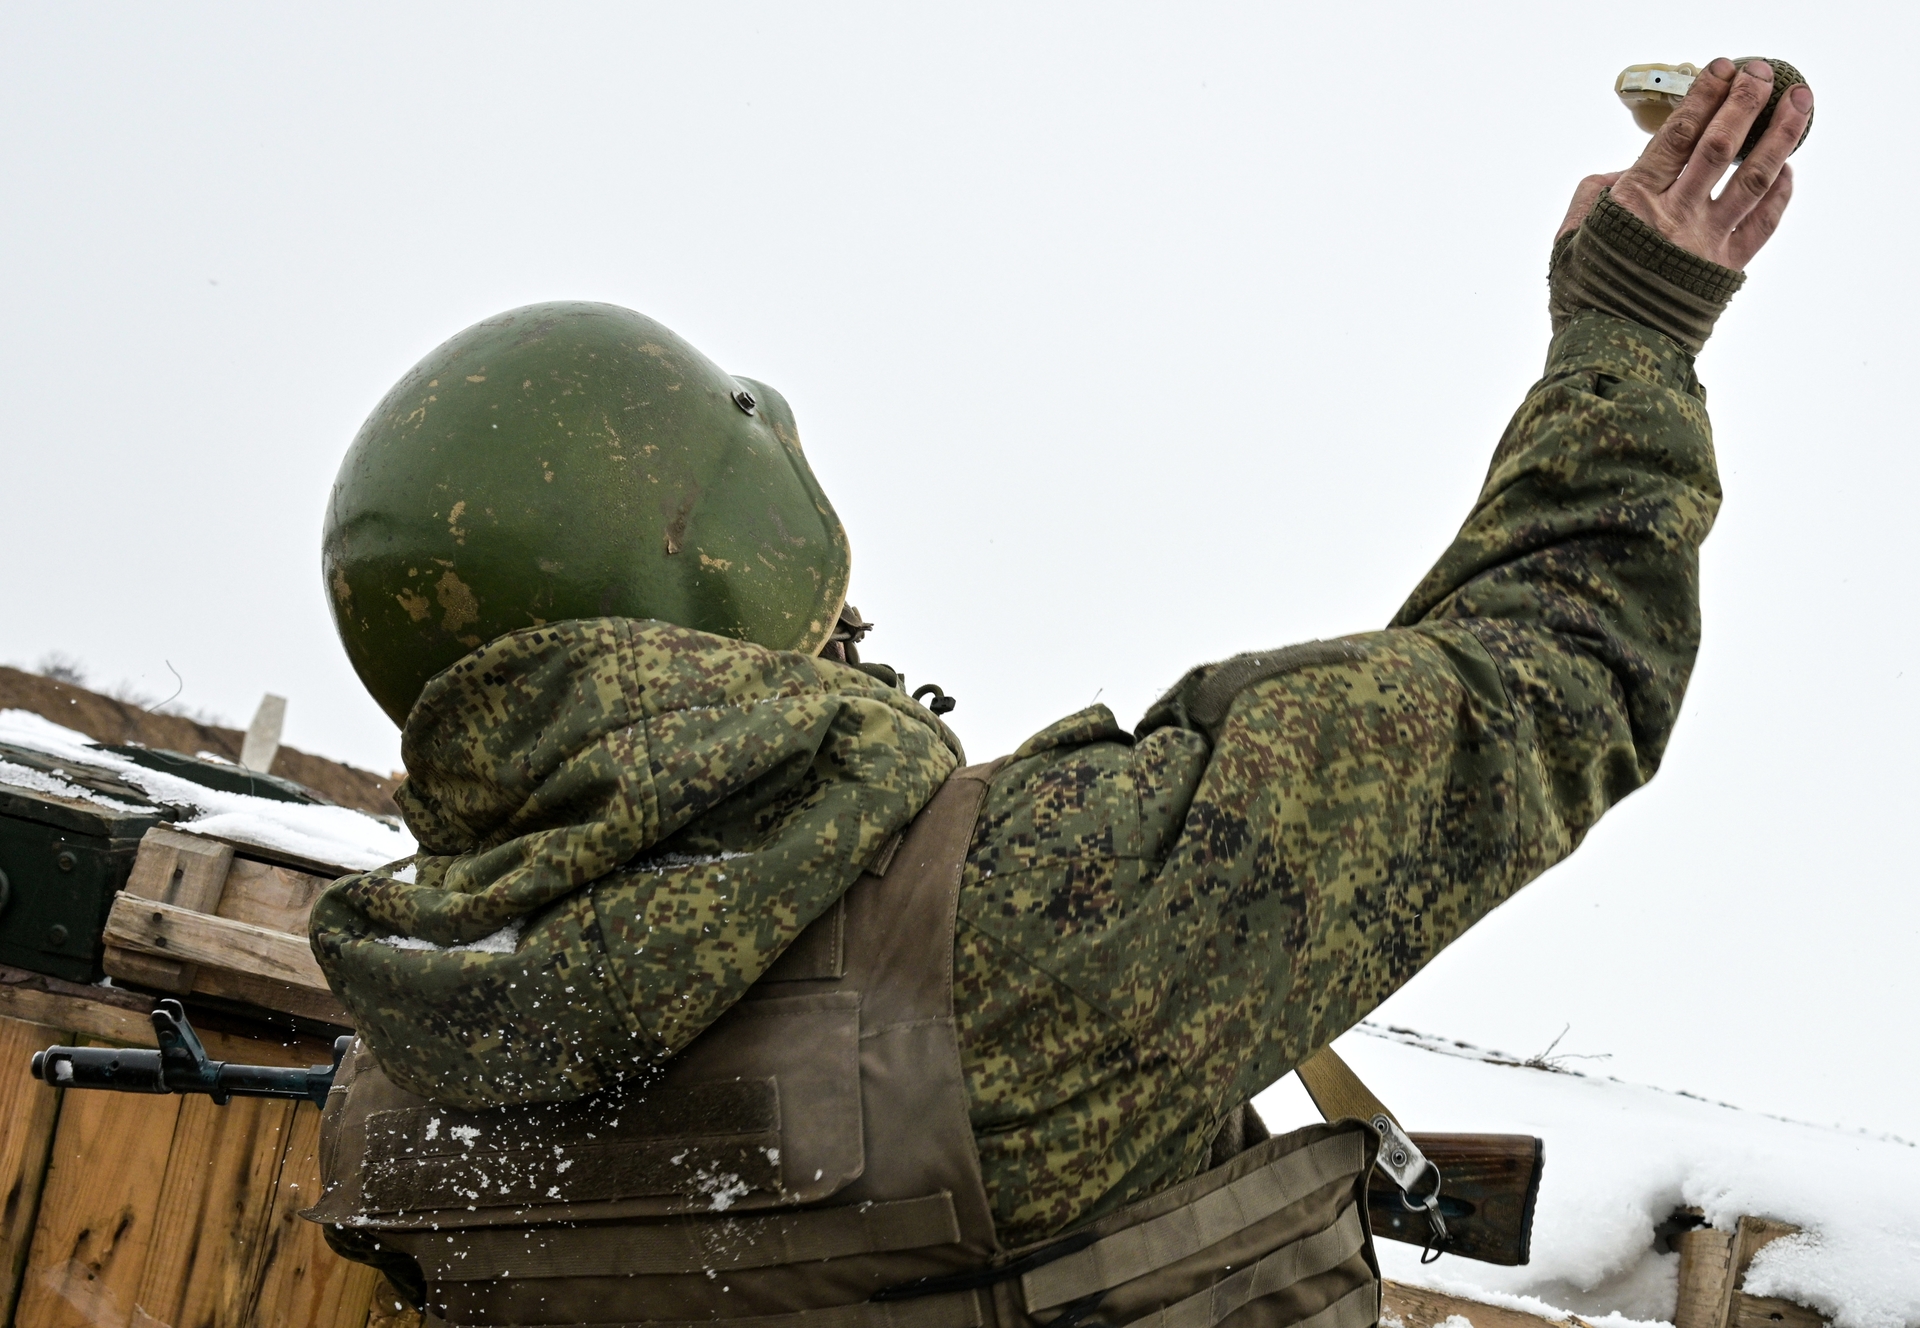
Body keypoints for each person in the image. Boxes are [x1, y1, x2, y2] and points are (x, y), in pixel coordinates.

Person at [303, 59, 1810, 1328]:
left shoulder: (408, 1065)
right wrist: (1633, 315)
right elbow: (1555, 678)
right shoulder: (1042, 915)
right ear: (746, 572)